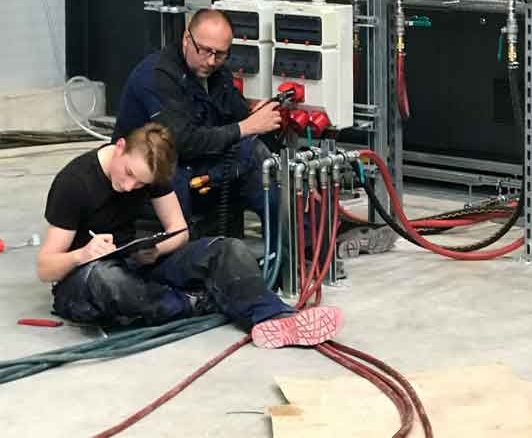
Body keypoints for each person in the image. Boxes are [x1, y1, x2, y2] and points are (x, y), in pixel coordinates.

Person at [38, 122, 342, 346]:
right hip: (84, 278)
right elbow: (45, 267)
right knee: (107, 279)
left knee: (227, 249)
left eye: (141, 183)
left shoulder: (152, 169)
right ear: (119, 147)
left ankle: (275, 317)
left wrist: (156, 250)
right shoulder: (75, 182)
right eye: (129, 174)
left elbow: (179, 231)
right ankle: (196, 302)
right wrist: (83, 254)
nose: (130, 187)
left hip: (133, 264)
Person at [114, 9, 282, 234]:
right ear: (187, 38)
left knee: (258, 156)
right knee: (249, 154)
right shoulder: (157, 76)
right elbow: (182, 142)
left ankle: (289, 249)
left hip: (198, 163)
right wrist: (246, 127)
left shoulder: (217, 74)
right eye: (204, 50)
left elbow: (236, 114)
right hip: (156, 173)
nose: (211, 61)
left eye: (220, 54)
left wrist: (256, 116)